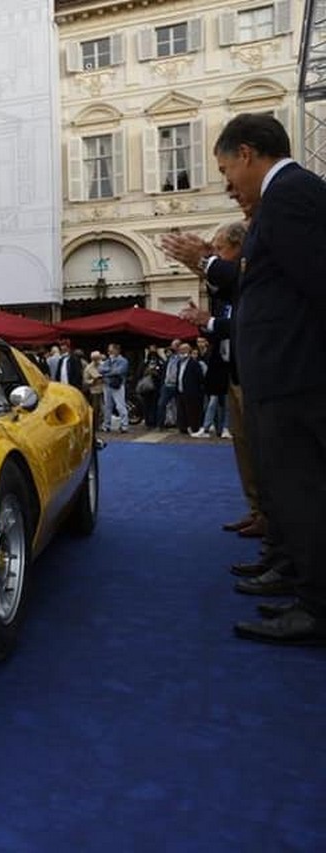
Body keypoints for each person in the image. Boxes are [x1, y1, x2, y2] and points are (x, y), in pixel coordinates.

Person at [204, 114, 326, 644]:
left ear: (248, 154)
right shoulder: (282, 201)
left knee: (304, 494)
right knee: (290, 492)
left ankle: (318, 608)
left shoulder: (292, 196)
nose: (228, 182)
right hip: (285, 380)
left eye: (227, 168)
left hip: (297, 381)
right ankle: (304, 589)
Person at [97, 342, 129, 432]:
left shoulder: (123, 361)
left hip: (117, 386)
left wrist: (106, 372)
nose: (109, 352)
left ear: (116, 350)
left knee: (120, 405)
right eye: (108, 350)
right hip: (107, 385)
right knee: (107, 406)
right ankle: (106, 425)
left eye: (111, 350)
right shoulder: (108, 360)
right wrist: (109, 371)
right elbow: (100, 369)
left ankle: (124, 426)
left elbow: (118, 371)